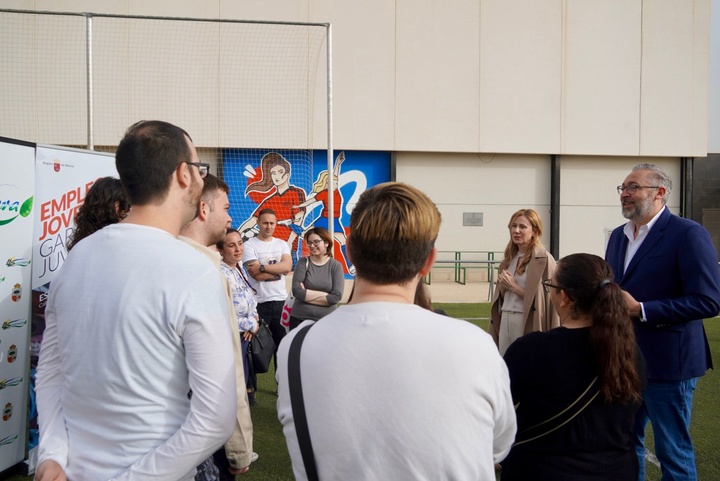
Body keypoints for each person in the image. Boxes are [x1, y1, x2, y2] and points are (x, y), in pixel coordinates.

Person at [35, 121, 237, 481]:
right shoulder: (194, 271)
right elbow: (215, 419)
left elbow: (51, 372)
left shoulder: (77, 258)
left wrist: (52, 453)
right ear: (183, 175)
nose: (203, 180)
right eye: (199, 169)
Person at [276, 182, 516, 481]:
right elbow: (498, 445)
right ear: (429, 261)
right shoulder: (475, 344)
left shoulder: (296, 346)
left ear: (348, 251)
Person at [605, 163, 720, 481]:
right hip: (625, 361)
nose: (625, 194)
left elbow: (709, 300)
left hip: (670, 364)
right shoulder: (618, 236)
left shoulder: (687, 234)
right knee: (627, 444)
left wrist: (642, 309)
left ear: (660, 193)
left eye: (633, 187)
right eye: (623, 188)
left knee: (672, 450)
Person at [501, 253, 645, 481]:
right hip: (615, 471)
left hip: (542, 470)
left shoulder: (530, 350)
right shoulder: (629, 353)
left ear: (564, 297)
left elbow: (500, 413)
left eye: (551, 286)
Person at [178, 175, 255, 480]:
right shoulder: (206, 273)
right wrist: (239, 447)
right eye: (225, 207)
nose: (230, 216)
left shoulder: (156, 259)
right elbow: (228, 371)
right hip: (203, 437)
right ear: (204, 210)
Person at [489, 209, 559, 355]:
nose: (516, 230)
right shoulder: (508, 260)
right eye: (513, 226)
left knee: (526, 366)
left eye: (522, 227)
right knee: (505, 366)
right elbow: (502, 297)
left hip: (526, 320)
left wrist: (513, 287)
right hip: (505, 318)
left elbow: (544, 300)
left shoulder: (544, 259)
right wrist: (503, 287)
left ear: (534, 231)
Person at [242, 208, 293, 370]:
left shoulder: (281, 244)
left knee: (282, 347)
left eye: (272, 223)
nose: (268, 226)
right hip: (259, 304)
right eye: (265, 223)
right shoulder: (248, 245)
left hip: (280, 303)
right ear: (258, 223)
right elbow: (256, 275)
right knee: (254, 347)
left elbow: (288, 267)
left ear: (276, 224)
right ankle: (251, 389)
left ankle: (282, 385)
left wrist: (263, 267)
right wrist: (277, 269)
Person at [217, 228, 260, 406]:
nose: (238, 249)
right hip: (230, 339)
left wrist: (254, 320)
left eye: (240, 243)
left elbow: (250, 300)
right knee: (229, 385)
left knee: (240, 381)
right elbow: (224, 313)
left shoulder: (238, 269)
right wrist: (250, 325)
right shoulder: (220, 274)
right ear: (221, 250)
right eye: (231, 245)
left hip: (243, 337)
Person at [238, 152, 306, 264]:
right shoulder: (270, 200)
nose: (276, 176)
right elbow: (252, 221)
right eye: (273, 173)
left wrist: (288, 245)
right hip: (269, 250)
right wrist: (237, 235)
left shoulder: (296, 193)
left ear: (287, 174)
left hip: (286, 250)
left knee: (287, 278)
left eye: (280, 172)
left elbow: (297, 223)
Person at [293, 151, 354, 273]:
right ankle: (292, 225)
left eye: (336, 182)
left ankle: (351, 266)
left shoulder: (336, 192)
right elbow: (311, 201)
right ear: (327, 184)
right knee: (305, 232)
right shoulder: (324, 193)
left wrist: (338, 162)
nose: (336, 184)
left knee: (343, 240)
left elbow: (335, 174)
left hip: (335, 221)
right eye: (333, 183)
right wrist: (299, 205)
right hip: (324, 219)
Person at [288, 227, 345, 330]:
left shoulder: (336, 266)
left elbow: (335, 297)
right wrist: (324, 295)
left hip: (326, 321)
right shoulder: (303, 263)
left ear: (326, 243)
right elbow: (297, 291)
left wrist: (306, 293)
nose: (312, 246)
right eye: (309, 243)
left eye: (316, 242)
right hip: (299, 319)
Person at [66, 176, 131, 251]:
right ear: (115, 205)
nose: (129, 210)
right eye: (127, 204)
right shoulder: (117, 244)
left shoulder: (81, 244)